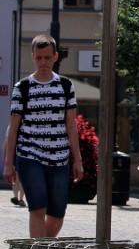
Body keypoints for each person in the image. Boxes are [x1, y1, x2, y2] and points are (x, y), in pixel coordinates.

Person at [3, 34, 82, 237]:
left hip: (59, 157)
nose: (43, 62)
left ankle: (42, 248)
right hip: (29, 154)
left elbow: (71, 126)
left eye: (47, 57)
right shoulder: (23, 88)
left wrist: (77, 160)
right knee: (37, 207)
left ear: (55, 57)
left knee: (57, 214)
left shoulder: (65, 87)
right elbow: (13, 129)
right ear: (33, 58)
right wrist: (8, 163)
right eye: (39, 58)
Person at [4, 127, 26, 207]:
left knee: (18, 177)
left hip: (18, 154)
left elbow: (6, 143)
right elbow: (6, 143)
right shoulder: (11, 127)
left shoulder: (12, 126)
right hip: (20, 154)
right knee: (20, 177)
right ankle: (19, 198)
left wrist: (5, 158)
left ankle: (18, 197)